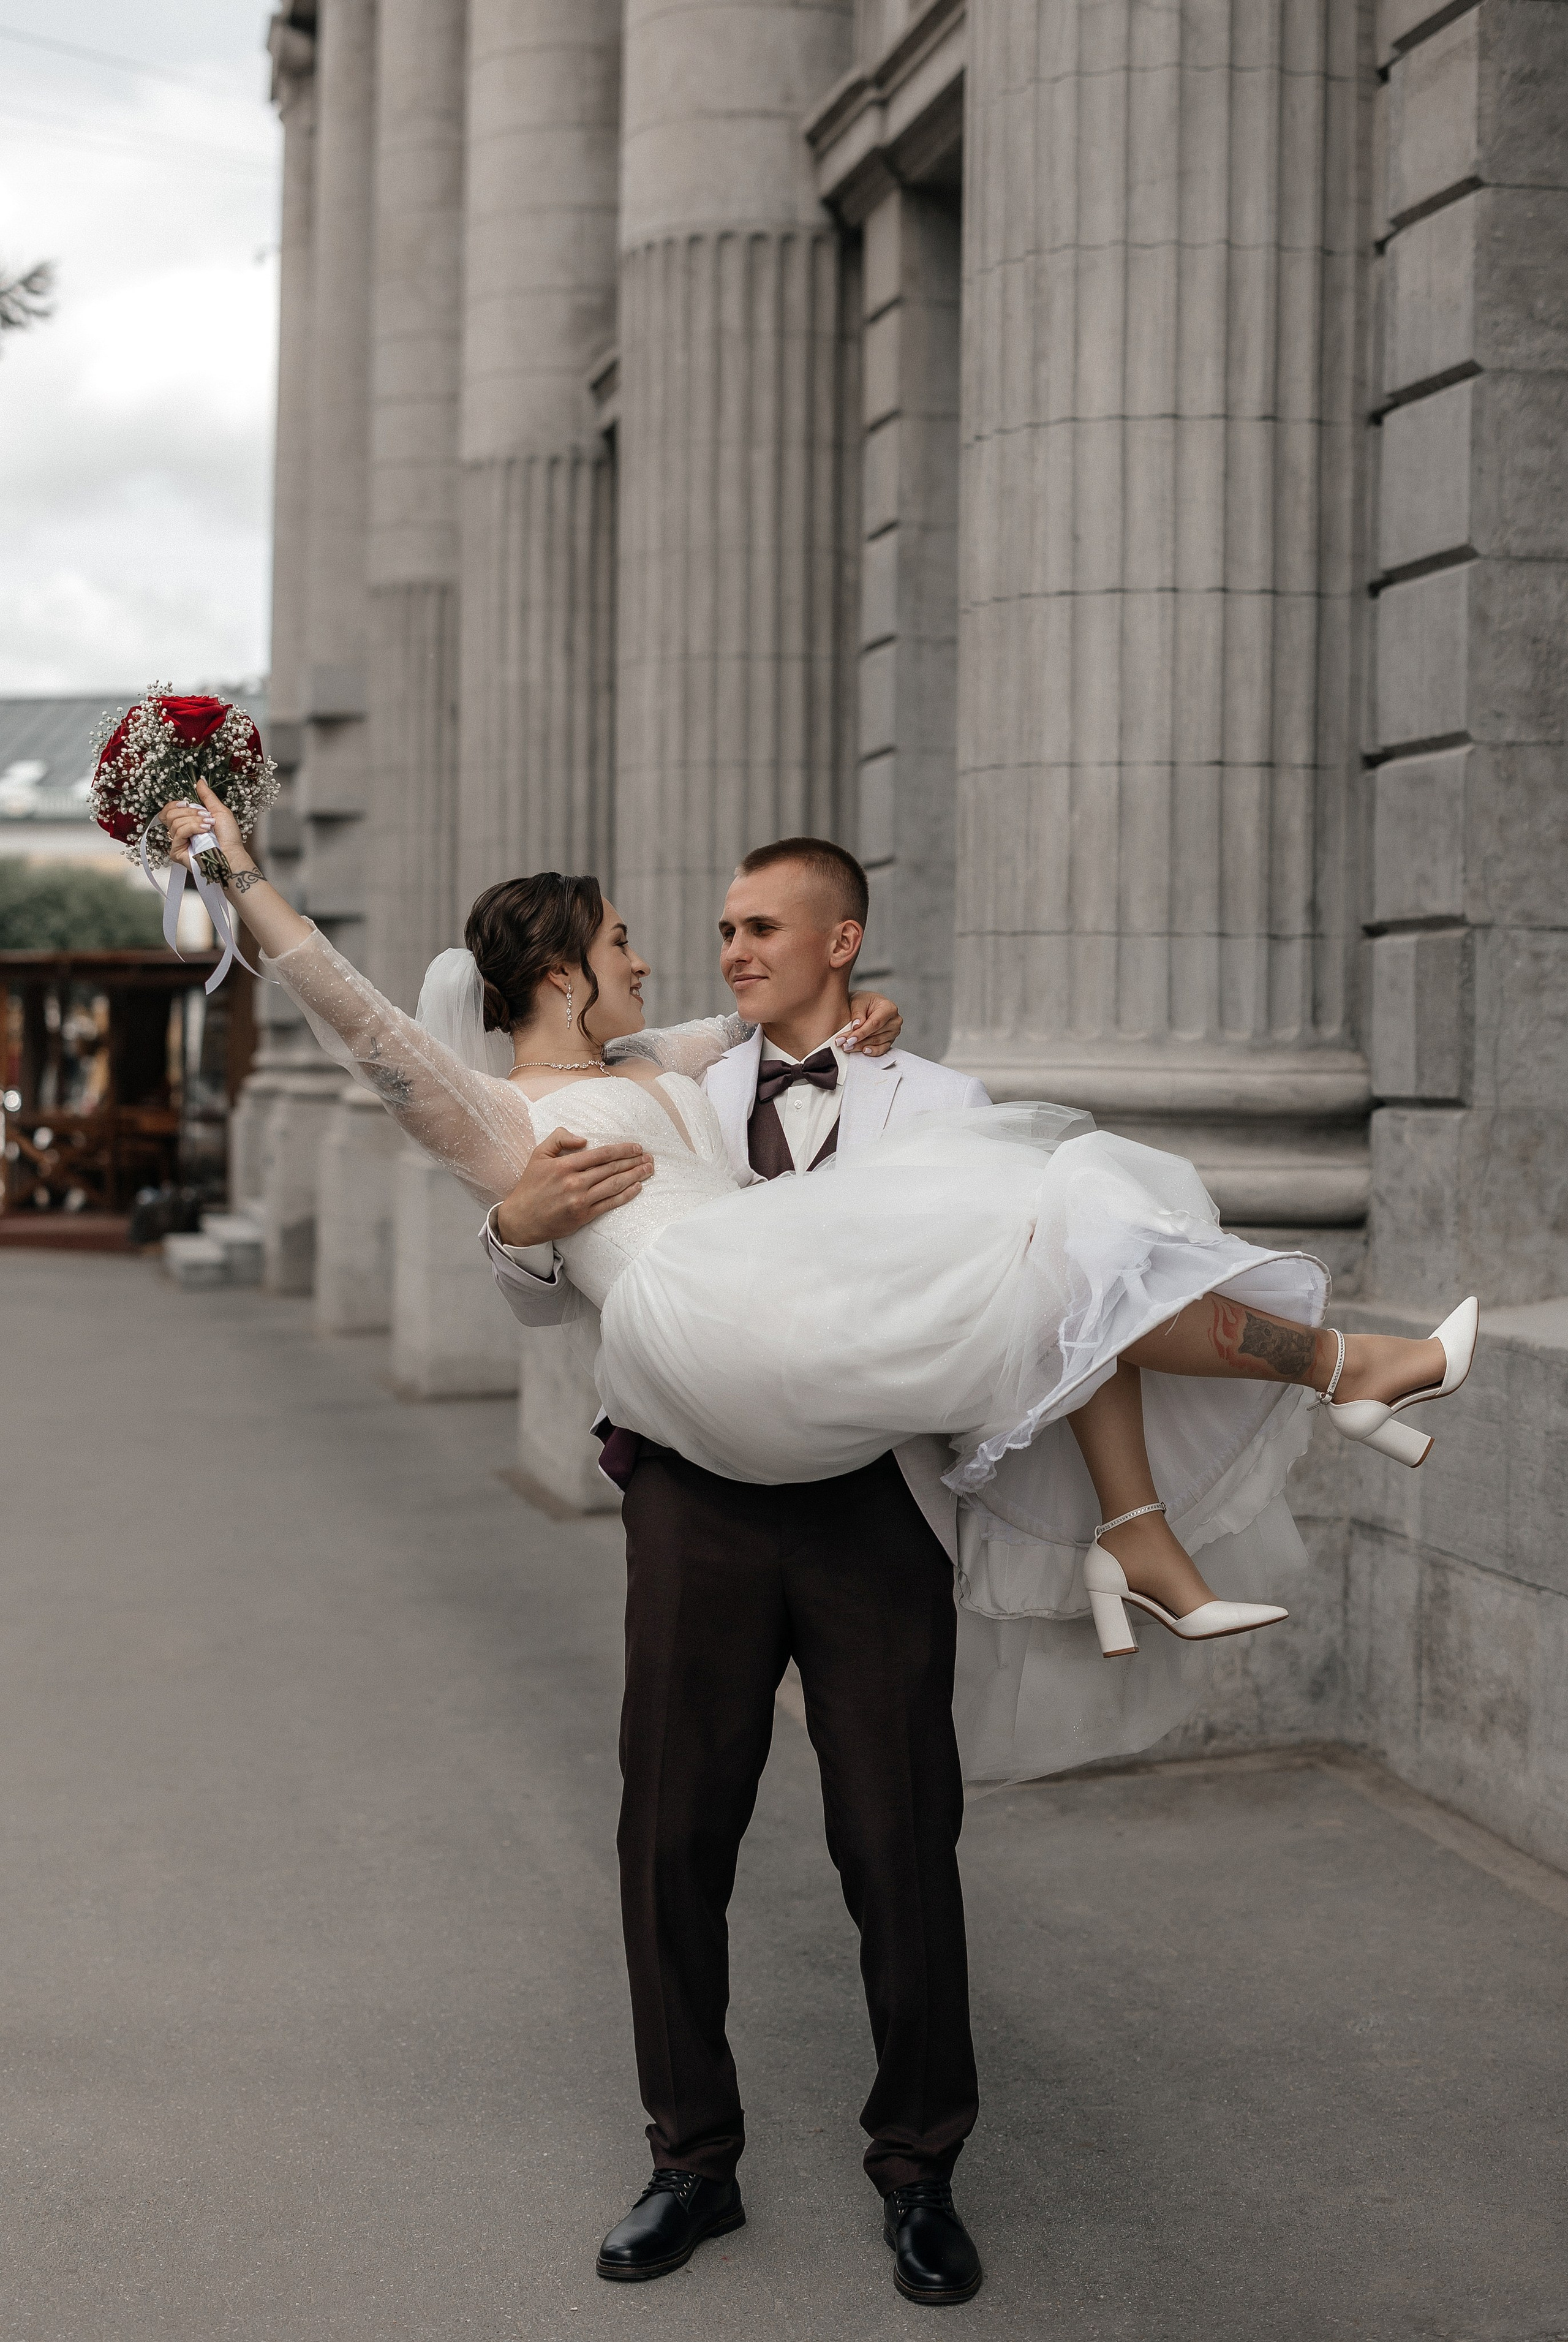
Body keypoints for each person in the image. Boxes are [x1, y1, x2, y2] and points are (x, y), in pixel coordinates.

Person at [159, 785, 1476, 2306]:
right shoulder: (506, 1115)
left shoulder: (685, 1061)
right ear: (566, 972)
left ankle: (922, 2168)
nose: (669, 959)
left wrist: (861, 1018)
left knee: (901, 1826)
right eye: (631, 940)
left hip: (849, 1465)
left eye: (728, 933)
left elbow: (777, 1027)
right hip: (700, 1442)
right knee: (673, 1831)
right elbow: (355, 1015)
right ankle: (689, 2160)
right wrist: (249, 887)